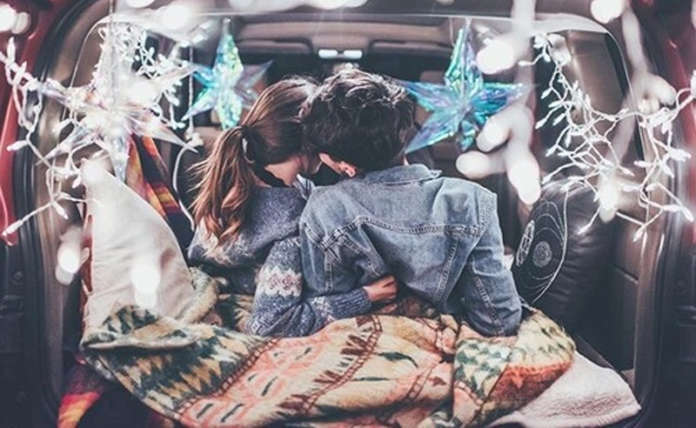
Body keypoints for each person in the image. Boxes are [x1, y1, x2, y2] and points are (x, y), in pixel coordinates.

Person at [298, 69, 522, 337]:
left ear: (346, 166)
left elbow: (326, 320)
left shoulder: (324, 210)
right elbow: (499, 321)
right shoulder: (471, 201)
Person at [188, 77, 397, 337]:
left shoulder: (234, 179)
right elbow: (271, 324)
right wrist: (365, 296)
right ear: (310, 143)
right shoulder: (292, 228)